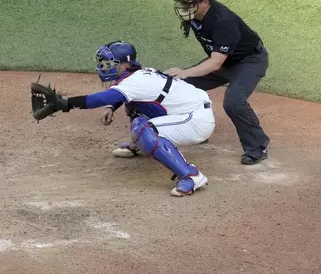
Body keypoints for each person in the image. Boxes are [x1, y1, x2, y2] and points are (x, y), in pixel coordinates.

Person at [30, 41, 215, 196]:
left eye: (111, 64)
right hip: (186, 112)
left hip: (195, 119)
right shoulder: (136, 75)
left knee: (143, 129)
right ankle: (143, 145)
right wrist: (112, 106)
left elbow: (101, 98)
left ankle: (191, 176)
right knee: (135, 110)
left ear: (125, 65)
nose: (104, 67)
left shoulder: (135, 81)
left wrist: (64, 104)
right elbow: (121, 97)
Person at [166, 0, 270, 165]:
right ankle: (195, 130)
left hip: (249, 61)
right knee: (180, 87)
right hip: (224, 59)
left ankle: (257, 146)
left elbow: (215, 64)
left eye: (190, 3)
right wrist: (185, 77)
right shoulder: (194, 16)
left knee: (234, 102)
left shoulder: (224, 21)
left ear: (205, 2)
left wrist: (185, 72)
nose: (184, 7)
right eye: (183, 2)